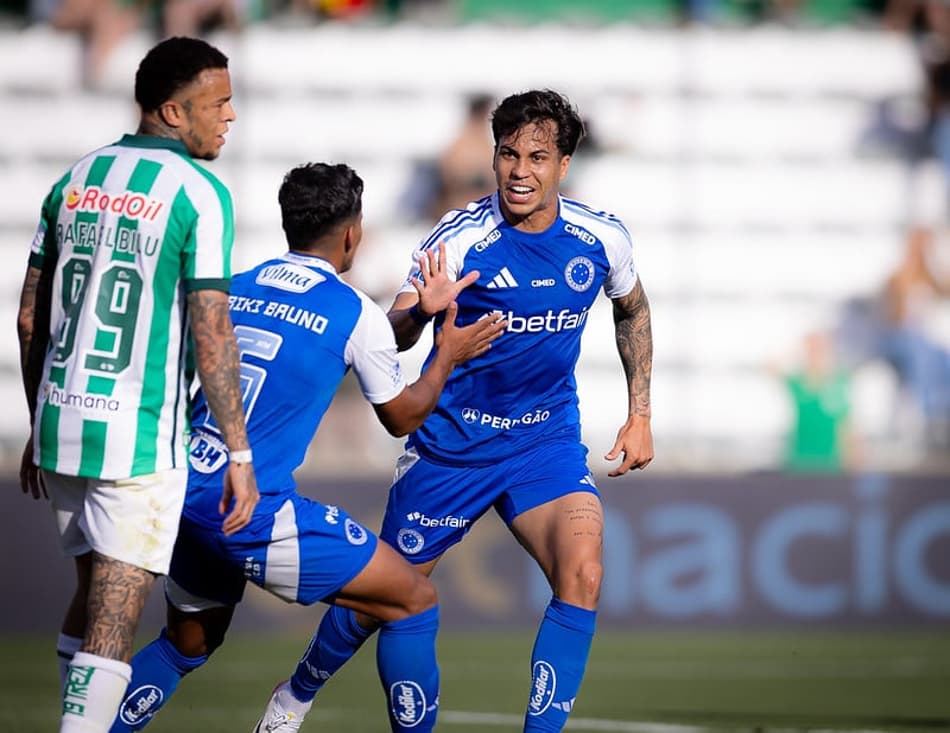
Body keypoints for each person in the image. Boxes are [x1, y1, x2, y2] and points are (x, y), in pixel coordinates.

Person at [260, 89, 655, 732]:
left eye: (536, 157)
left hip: (544, 442)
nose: (519, 171)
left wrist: (640, 412)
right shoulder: (461, 237)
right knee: (384, 599)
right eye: (507, 155)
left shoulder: (600, 237)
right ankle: (297, 694)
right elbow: (389, 334)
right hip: (453, 445)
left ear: (563, 165)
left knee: (583, 571)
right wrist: (420, 308)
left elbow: (632, 308)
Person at [107, 162, 506, 733]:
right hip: (253, 507)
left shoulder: (237, 286)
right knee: (413, 598)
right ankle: (296, 704)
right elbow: (403, 417)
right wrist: (447, 352)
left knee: (183, 646)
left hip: (184, 492)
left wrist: (419, 311)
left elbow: (347, 340)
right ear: (351, 234)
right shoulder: (352, 310)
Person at [16, 36, 258, 733]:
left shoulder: (75, 178)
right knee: (116, 624)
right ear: (173, 112)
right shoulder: (200, 194)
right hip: (138, 440)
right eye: (218, 103)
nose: (231, 116)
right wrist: (238, 454)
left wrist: (39, 419)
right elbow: (212, 331)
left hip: (62, 422)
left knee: (90, 595)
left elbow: (31, 317)